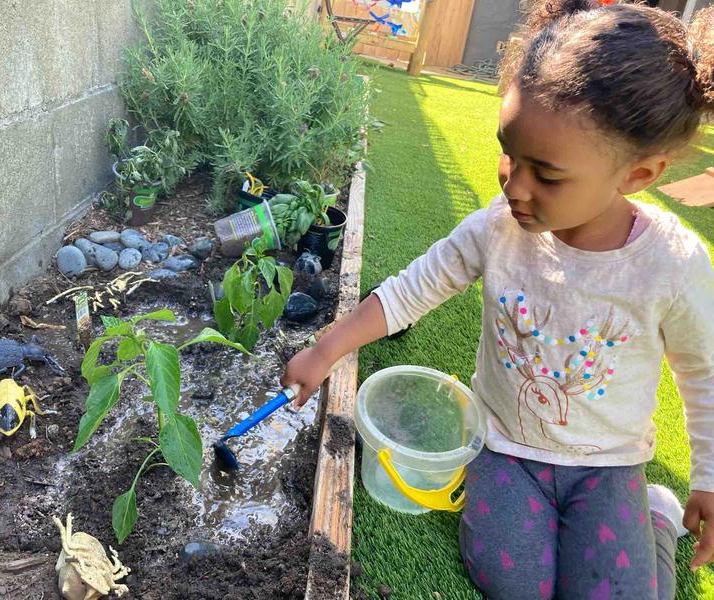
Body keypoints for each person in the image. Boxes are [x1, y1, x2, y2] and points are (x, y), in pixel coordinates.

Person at [281, 1, 714, 597]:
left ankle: (657, 517)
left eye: (547, 173)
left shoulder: (673, 263)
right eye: (509, 151)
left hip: (609, 464)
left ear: (638, 175)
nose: (513, 184)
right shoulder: (499, 227)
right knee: (511, 583)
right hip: (504, 446)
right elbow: (414, 287)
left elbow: (705, 374)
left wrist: (709, 479)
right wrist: (326, 349)